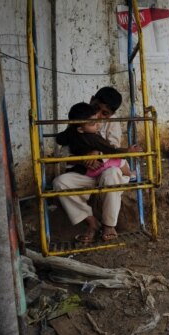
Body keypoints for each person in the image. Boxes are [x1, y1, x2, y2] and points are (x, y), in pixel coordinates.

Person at [52, 87, 128, 243]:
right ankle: (92, 222)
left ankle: (108, 225)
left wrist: (97, 154)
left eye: (105, 114)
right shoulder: (79, 117)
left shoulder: (112, 125)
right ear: (92, 98)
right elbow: (64, 152)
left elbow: (113, 149)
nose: (99, 116)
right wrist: (82, 159)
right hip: (84, 173)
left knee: (112, 174)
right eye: (96, 108)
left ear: (111, 115)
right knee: (59, 183)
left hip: (105, 173)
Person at [56, 102, 138, 179]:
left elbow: (59, 139)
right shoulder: (93, 138)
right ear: (80, 129)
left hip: (80, 170)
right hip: (94, 169)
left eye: (96, 121)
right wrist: (128, 151)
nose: (97, 125)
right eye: (93, 124)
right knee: (120, 160)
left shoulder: (71, 130)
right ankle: (129, 174)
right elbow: (111, 150)